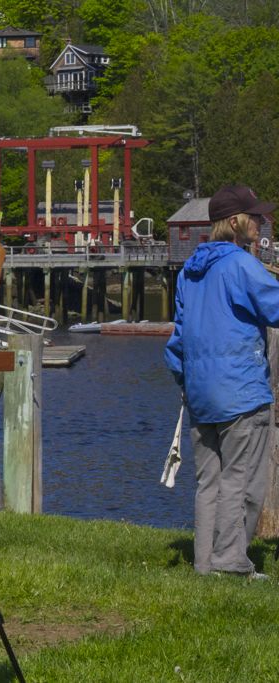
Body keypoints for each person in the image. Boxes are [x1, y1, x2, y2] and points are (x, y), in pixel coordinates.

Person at [164, 184, 278, 579]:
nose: (262, 222)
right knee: (242, 480)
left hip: (200, 393)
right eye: (256, 216)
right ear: (235, 222)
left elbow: (177, 340)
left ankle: (204, 564)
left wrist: (187, 382)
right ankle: (231, 562)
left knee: (208, 481)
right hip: (240, 391)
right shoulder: (241, 266)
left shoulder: (190, 272)